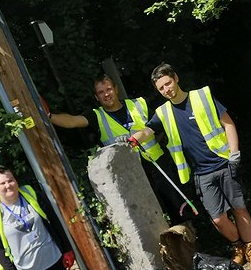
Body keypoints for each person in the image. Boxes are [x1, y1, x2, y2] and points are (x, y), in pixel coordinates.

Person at [128, 63, 251, 269]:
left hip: (224, 162)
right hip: (201, 173)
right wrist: (135, 138)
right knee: (218, 218)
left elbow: (228, 124)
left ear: (176, 78)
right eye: (161, 88)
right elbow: (149, 130)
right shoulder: (163, 112)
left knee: (239, 208)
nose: (167, 90)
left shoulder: (202, 97)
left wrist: (234, 153)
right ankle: (238, 246)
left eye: (168, 83)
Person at [50, 73, 188, 224]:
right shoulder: (97, 116)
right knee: (150, 217)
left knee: (178, 208)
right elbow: (72, 121)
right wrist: (49, 116)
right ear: (96, 97)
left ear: (116, 89)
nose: (106, 94)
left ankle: (191, 243)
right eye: (101, 92)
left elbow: (160, 126)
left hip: (158, 165)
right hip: (129, 175)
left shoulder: (138, 104)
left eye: (108, 89)